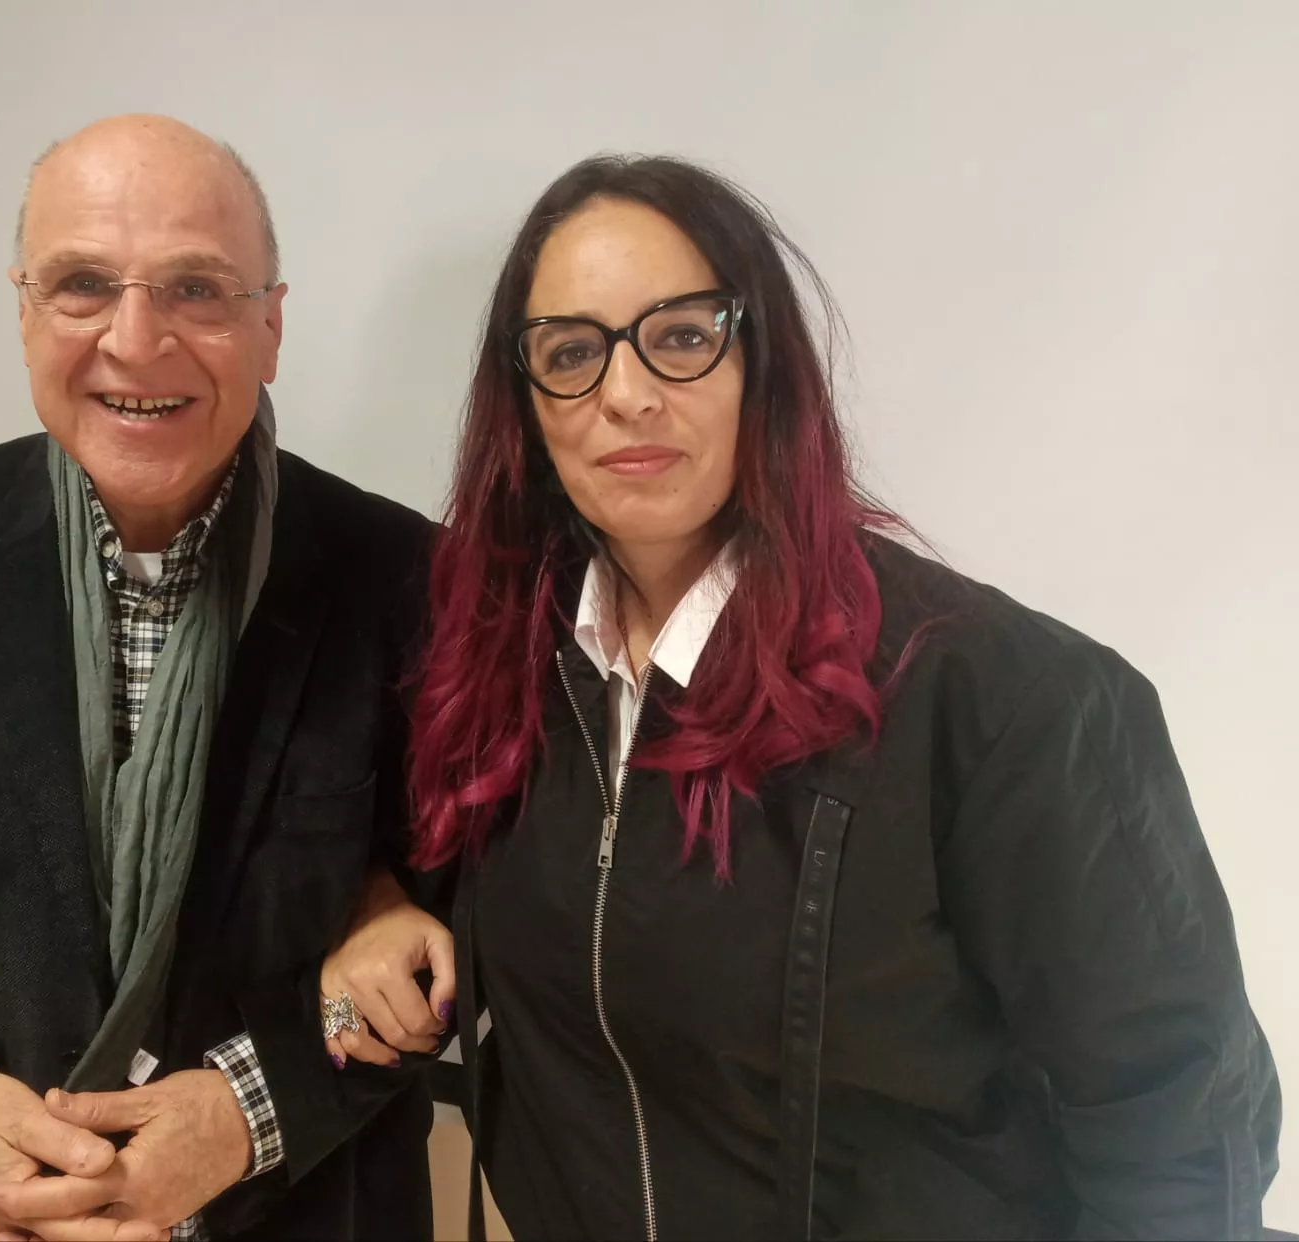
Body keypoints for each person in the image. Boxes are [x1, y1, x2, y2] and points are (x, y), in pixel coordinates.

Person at [318, 154, 1283, 1240]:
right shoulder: (513, 669)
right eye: (572, 353)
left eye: (681, 336)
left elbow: (1178, 1136)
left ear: (761, 365)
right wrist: (379, 904)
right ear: (527, 404)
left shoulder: (1005, 700)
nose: (625, 392)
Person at [0, 114, 436, 1241]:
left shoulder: (408, 577)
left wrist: (243, 1115)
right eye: (81, 285)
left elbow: (447, 941)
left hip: (279, 1209)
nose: (135, 339)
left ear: (272, 325)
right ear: (23, 314)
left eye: (198, 290)